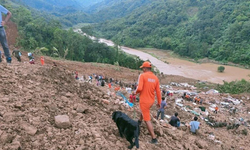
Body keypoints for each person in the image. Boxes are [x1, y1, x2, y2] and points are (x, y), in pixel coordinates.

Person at [134, 61, 161, 144]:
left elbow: (139, 88)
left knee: (147, 119)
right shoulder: (155, 78)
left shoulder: (143, 76)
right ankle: (139, 121)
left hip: (144, 100)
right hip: (151, 101)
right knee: (144, 112)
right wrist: (159, 102)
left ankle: (154, 138)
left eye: (143, 68)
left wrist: (135, 92)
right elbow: (158, 91)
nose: (142, 70)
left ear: (145, 68)